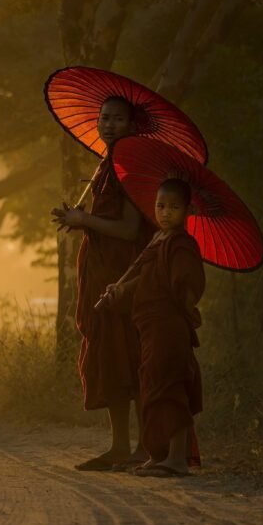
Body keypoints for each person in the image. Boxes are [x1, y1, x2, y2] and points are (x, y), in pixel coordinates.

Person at [52, 96, 153, 471]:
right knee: (107, 355)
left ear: (131, 124)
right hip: (100, 270)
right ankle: (119, 446)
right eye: (104, 118)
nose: (109, 124)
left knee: (130, 354)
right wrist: (76, 217)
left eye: (118, 119)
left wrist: (86, 222)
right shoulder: (105, 165)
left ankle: (144, 446)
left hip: (122, 273)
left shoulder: (129, 165)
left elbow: (129, 230)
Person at [99, 177, 205, 477]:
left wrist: (185, 313)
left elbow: (186, 284)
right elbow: (145, 276)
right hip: (149, 325)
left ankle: (177, 459)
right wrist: (119, 290)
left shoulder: (182, 243)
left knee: (170, 386)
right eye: (160, 206)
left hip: (169, 325)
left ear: (189, 210)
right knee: (152, 386)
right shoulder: (158, 240)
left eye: (174, 207)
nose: (166, 213)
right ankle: (159, 454)